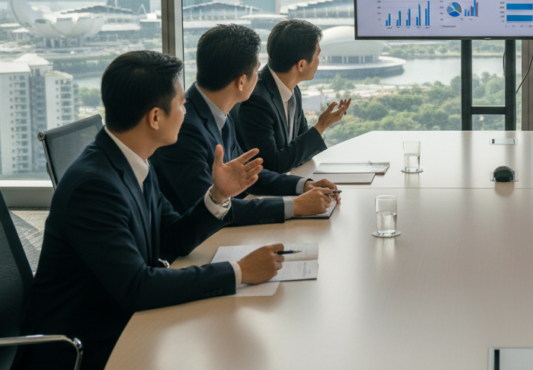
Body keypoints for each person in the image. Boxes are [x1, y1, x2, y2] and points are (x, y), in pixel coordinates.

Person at [20, 51, 284, 370]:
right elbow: (138, 288)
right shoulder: (94, 186)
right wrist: (239, 272)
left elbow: (172, 238)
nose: (186, 112)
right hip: (83, 348)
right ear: (155, 117)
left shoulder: (134, 161)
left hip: (123, 321)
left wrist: (218, 196)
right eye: (182, 104)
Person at [152, 24, 336, 225]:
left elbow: (249, 170)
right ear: (241, 82)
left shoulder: (218, 111)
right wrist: (295, 205)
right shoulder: (184, 129)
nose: (260, 77)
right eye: (257, 70)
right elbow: (212, 209)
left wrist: (303, 186)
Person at [232, 19, 351, 173]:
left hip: (288, 182)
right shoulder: (256, 100)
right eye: (317, 55)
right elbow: (272, 165)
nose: (318, 61)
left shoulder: (293, 91)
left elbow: (300, 148)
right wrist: (321, 125)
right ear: (301, 65)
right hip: (257, 194)